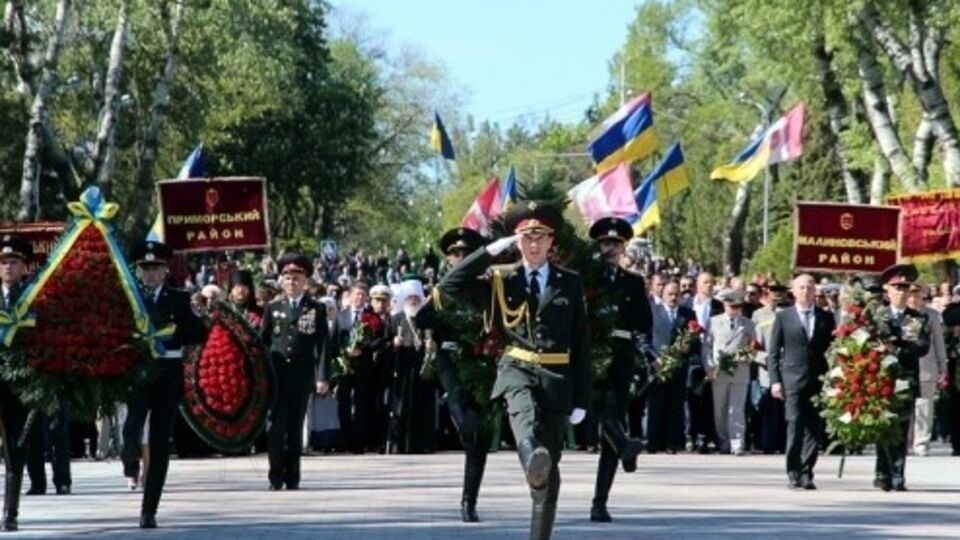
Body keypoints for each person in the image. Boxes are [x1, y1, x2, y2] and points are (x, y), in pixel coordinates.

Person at [436, 201, 589, 540]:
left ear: (551, 242)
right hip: (516, 368)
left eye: (540, 238)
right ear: (516, 242)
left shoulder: (570, 282)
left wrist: (582, 397)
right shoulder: (501, 279)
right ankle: (532, 459)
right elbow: (450, 286)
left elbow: (581, 343)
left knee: (550, 471)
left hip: (557, 378)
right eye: (525, 238)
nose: (533, 245)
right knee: (525, 425)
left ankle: (539, 527)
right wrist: (488, 252)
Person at [122, 241, 206, 528]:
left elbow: (199, 334)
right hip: (138, 373)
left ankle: (149, 509)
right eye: (145, 269)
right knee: (132, 424)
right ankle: (129, 457)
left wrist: (190, 321)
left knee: (159, 443)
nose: (150, 274)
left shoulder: (179, 299)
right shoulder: (129, 298)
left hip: (167, 375)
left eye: (156, 268)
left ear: (165, 270)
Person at [419, 227, 495, 521]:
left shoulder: (487, 289)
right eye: (455, 254)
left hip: (481, 361)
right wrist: (447, 309)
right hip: (450, 360)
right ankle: (462, 428)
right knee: (466, 420)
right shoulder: (445, 289)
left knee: (480, 434)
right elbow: (422, 317)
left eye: (466, 254)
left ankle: (469, 500)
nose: (460, 258)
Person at [585, 217, 651, 523]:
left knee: (612, 422)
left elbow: (644, 321)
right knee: (601, 410)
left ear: (623, 247)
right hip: (592, 352)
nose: (609, 248)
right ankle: (625, 444)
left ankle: (600, 501)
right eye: (604, 243)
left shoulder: (633, 281)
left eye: (615, 243)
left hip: (622, 354)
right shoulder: (586, 279)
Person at [260, 253, 330, 490]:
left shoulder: (316, 308)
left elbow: (322, 345)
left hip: (301, 377)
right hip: (277, 378)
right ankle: (275, 475)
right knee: (276, 428)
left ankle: (292, 476)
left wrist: (322, 377)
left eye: (297, 278)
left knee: (295, 427)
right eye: (287, 278)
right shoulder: (273, 308)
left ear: (305, 280)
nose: (292, 282)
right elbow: (264, 341)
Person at [768, 274, 836, 490]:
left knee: (813, 428)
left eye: (809, 287)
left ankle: (807, 472)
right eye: (801, 288)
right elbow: (773, 353)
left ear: (815, 291)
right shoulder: (783, 317)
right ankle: (793, 471)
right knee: (794, 424)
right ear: (794, 291)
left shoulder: (826, 317)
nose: (806, 291)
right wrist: (775, 381)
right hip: (792, 380)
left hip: (817, 379)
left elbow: (832, 349)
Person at [873, 264, 929, 491]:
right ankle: (881, 472)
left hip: (905, 379)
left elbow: (922, 346)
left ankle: (897, 474)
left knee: (901, 428)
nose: (901, 291)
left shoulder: (917, 319)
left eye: (905, 287)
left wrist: (896, 351)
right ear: (887, 290)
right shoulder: (878, 316)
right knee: (881, 426)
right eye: (896, 287)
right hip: (879, 378)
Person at [0, 235, 33, 530]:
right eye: (4, 262)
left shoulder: (33, 299)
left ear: (24, 267)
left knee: (14, 451)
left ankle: (10, 512)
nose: (8, 267)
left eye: (14, 262)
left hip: (19, 387)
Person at [646, 281, 697, 454]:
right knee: (656, 404)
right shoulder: (653, 312)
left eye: (676, 294)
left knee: (676, 405)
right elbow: (644, 339)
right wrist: (653, 359)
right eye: (670, 294)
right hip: (657, 366)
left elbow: (695, 341)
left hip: (678, 366)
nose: (674, 297)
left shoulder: (688, 314)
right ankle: (653, 441)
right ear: (662, 294)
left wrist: (687, 350)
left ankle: (672, 442)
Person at [704, 289, 757, 455]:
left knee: (737, 408)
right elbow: (706, 347)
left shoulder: (748, 324)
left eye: (738, 307)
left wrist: (746, 357)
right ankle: (723, 441)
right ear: (724, 305)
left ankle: (737, 442)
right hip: (719, 371)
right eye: (731, 306)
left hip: (740, 370)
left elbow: (755, 347)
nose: (734, 310)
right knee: (720, 408)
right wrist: (709, 367)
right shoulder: (713, 322)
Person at [388, 277, 437, 454]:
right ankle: (400, 444)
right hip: (402, 370)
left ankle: (423, 443)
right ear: (404, 300)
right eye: (410, 298)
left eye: (417, 298)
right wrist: (393, 343)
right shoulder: (395, 319)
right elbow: (384, 345)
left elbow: (437, 339)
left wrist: (433, 345)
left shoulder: (427, 319)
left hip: (423, 372)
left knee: (423, 407)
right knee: (402, 407)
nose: (414, 301)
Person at [906, 283, 948, 457]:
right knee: (905, 405)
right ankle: (905, 440)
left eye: (918, 294)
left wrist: (943, 367)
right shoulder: (902, 314)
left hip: (926, 366)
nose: (914, 298)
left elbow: (939, 343)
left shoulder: (932, 315)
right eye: (911, 294)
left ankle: (921, 442)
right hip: (905, 366)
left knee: (924, 405)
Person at [331, 283, 373, 453]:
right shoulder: (341, 317)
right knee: (344, 404)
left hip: (364, 366)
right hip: (345, 366)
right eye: (357, 295)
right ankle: (344, 439)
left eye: (363, 295)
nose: (359, 298)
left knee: (361, 404)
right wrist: (344, 352)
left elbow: (378, 340)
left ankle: (358, 441)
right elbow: (333, 341)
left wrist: (363, 349)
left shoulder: (371, 317)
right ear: (350, 296)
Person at [682, 272, 722, 453]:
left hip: (710, 357)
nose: (709, 286)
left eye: (712, 283)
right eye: (705, 282)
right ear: (697, 285)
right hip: (690, 357)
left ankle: (705, 437)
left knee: (707, 399)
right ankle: (690, 435)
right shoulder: (686, 305)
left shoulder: (718, 306)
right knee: (690, 399)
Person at [750, 281, 790, 454]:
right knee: (768, 407)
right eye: (774, 295)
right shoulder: (759, 314)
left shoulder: (791, 312)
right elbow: (752, 344)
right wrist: (762, 358)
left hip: (788, 366)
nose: (777, 299)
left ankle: (784, 443)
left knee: (786, 409)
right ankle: (767, 443)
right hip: (767, 368)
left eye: (781, 296)